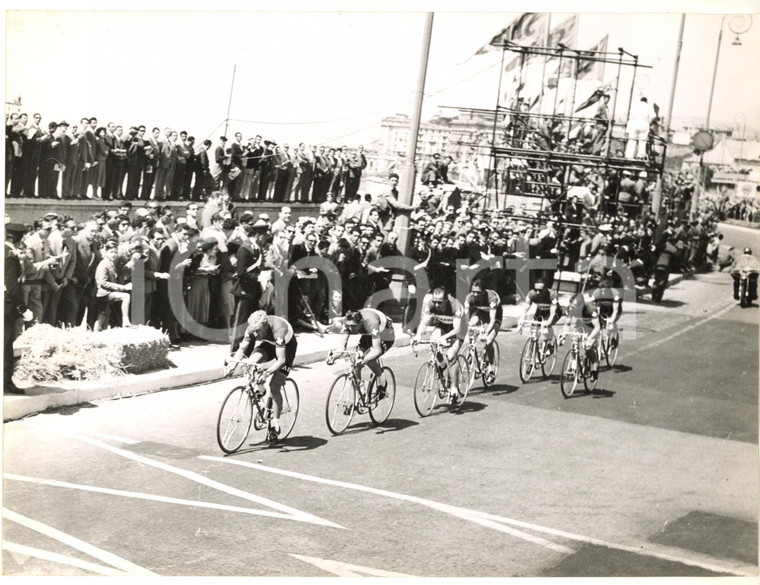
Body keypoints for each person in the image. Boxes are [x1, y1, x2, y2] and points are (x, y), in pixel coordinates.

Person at [225, 310, 298, 442]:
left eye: (259, 331)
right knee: (251, 362)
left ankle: (275, 422)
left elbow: (281, 360)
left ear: (265, 326)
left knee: (274, 386)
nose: (256, 334)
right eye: (254, 331)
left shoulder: (278, 330)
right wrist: (232, 365)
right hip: (269, 344)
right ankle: (261, 390)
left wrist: (267, 372)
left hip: (286, 348)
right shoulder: (253, 328)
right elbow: (241, 349)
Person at [413, 286, 465, 404]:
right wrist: (418, 335)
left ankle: (454, 389)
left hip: (459, 329)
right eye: (434, 302)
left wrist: (445, 337)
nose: (436, 305)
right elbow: (424, 322)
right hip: (443, 325)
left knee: (451, 355)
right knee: (433, 340)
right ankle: (442, 365)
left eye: (440, 302)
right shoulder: (431, 304)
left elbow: (457, 329)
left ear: (447, 299)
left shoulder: (454, 305)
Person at [328, 308, 394, 397]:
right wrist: (334, 356)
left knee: (368, 359)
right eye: (349, 326)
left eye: (354, 326)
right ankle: (361, 392)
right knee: (354, 361)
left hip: (385, 335)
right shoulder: (348, 322)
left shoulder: (372, 322)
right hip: (368, 333)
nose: (350, 329)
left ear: (361, 322)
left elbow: (377, 350)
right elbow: (342, 347)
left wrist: (364, 359)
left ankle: (382, 383)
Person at [5, 223, 34, 394]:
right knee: (6, 344)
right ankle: (6, 381)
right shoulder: (9, 256)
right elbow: (11, 287)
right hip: (7, 306)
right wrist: (23, 309)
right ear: (18, 238)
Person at [463, 278, 501, 383]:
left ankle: (491, 369)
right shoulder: (469, 297)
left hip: (494, 317)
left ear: (484, 291)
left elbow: (492, 320)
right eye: (473, 291)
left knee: (488, 341)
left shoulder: (491, 298)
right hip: (480, 314)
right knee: (471, 324)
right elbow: (466, 315)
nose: (475, 294)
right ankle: (474, 357)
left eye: (478, 292)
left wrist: (486, 332)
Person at [560, 292, 602, 382]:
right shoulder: (571, 308)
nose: (573, 310)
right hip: (581, 325)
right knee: (574, 339)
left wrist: (590, 339)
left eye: (575, 308)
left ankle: (594, 368)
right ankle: (574, 364)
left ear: (581, 306)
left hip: (593, 328)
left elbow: (597, 327)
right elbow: (567, 323)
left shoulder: (591, 309)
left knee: (588, 347)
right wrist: (563, 334)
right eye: (571, 307)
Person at [517, 278, 560, 352]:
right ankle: (535, 355)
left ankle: (550, 343)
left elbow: (552, 314)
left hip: (554, 312)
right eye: (535, 289)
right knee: (534, 332)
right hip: (540, 311)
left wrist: (547, 324)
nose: (537, 292)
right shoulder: (531, 294)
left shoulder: (552, 295)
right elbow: (525, 310)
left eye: (540, 290)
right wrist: (521, 321)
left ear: (546, 289)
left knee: (546, 327)